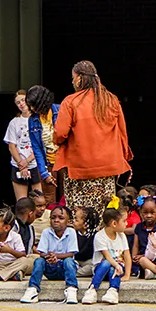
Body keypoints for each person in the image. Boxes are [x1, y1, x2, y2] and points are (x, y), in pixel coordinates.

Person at [53, 61, 133, 219]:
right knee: (104, 216)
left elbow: (60, 133)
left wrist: (56, 140)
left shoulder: (71, 101)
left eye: (73, 78)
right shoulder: (111, 99)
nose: (72, 81)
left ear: (80, 78)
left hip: (78, 169)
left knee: (78, 218)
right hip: (107, 169)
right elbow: (123, 133)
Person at [22, 205, 79, 304]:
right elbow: (42, 253)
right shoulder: (46, 232)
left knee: (69, 261)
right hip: (50, 267)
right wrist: (49, 257)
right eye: (53, 218)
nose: (56, 220)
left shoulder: (71, 232)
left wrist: (56, 256)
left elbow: (71, 253)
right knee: (38, 261)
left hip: (64, 268)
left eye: (61, 218)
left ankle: (71, 289)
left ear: (68, 221)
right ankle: (33, 289)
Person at [83, 207, 129, 305]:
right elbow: (107, 257)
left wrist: (127, 274)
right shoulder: (100, 236)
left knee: (115, 268)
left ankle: (113, 290)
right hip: (101, 268)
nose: (126, 224)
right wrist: (116, 265)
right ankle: (92, 289)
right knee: (108, 263)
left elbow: (127, 255)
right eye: (124, 221)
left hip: (117, 269)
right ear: (114, 224)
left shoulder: (122, 236)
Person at [25, 85, 62, 200]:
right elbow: (36, 149)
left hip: (65, 162)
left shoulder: (61, 110)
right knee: (49, 200)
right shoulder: (33, 120)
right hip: (48, 164)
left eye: (34, 104)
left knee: (68, 198)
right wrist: (44, 173)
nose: (32, 108)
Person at [5, 90, 38, 200]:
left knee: (39, 199)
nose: (21, 104)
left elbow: (41, 145)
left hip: (36, 164)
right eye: (18, 102)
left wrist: (27, 161)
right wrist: (21, 164)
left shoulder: (38, 119)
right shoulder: (14, 122)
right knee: (22, 202)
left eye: (23, 100)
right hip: (18, 164)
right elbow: (11, 146)